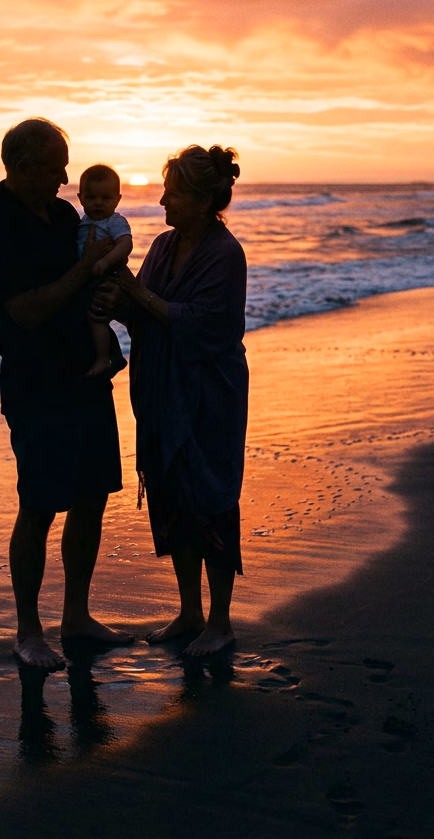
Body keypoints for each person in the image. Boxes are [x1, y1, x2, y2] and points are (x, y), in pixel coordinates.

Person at [0, 117, 133, 670]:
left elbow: (94, 279)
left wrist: (113, 298)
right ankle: (28, 631)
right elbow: (25, 310)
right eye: (56, 167)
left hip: (86, 374)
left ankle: (76, 617)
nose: (66, 179)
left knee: (91, 498)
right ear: (23, 167)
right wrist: (85, 270)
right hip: (36, 383)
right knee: (39, 506)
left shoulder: (65, 216)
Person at [110, 144, 249, 657]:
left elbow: (204, 324)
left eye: (173, 193)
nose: (163, 200)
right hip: (162, 388)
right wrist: (110, 293)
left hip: (210, 393)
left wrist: (137, 295)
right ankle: (190, 612)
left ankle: (220, 622)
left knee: (211, 498)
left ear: (203, 200)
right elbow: (144, 313)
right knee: (172, 497)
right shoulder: (164, 245)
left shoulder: (226, 253)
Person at [76, 164, 133, 376]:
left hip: (106, 278)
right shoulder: (84, 221)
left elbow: (125, 244)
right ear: (81, 198)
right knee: (87, 315)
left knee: (96, 318)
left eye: (106, 198)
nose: (98, 203)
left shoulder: (114, 221)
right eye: (92, 197)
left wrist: (107, 261)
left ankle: (103, 359)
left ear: (117, 200)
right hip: (90, 279)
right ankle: (113, 356)